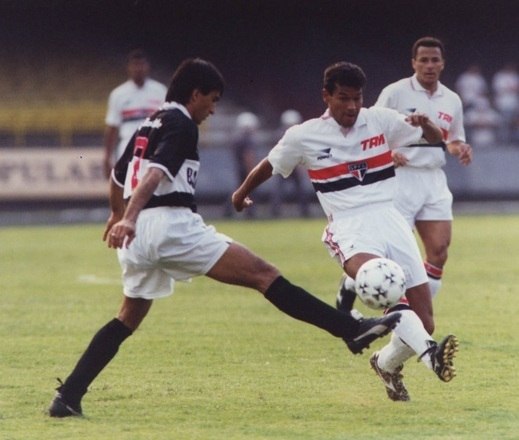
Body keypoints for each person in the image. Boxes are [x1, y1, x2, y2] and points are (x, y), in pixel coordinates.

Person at [48, 58, 401, 418]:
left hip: (137, 239)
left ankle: (68, 397)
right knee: (265, 275)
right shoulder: (181, 123)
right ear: (195, 93)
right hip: (169, 226)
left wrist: (117, 214)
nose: (213, 109)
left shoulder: (147, 125)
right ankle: (350, 328)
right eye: (212, 100)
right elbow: (154, 173)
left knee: (128, 316)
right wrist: (129, 217)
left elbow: (119, 177)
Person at [232, 61, 459, 403]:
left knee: (425, 321)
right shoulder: (303, 135)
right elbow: (270, 163)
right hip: (349, 225)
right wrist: (241, 191)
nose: (352, 106)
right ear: (326, 96)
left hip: (391, 219)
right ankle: (431, 356)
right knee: (381, 281)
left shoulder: (379, 120)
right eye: (343, 98)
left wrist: (426, 125)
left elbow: (435, 140)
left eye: (357, 98)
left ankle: (385, 363)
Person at [336, 36, 468, 401]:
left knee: (438, 251)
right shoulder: (393, 93)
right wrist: (388, 152)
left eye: (434, 60)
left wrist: (460, 148)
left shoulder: (452, 100)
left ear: (442, 63)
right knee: (391, 260)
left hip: (433, 180)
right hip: (399, 183)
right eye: (423, 59)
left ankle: (398, 325)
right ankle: (363, 286)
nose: (429, 65)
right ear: (413, 62)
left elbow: (450, 141)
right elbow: (371, 130)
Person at [103, 49, 167, 178]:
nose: (139, 69)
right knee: (127, 189)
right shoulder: (118, 94)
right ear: (129, 68)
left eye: (142, 64)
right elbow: (112, 127)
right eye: (135, 65)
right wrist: (107, 157)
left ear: (148, 66)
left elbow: (167, 123)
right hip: (128, 147)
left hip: (153, 147)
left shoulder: (160, 91)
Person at [270, 109, 310, 217]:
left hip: (283, 166)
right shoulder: (294, 136)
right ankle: (304, 211)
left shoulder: (279, 134)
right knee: (297, 190)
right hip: (290, 166)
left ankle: (275, 211)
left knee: (282, 190)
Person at [224, 111, 261, 218]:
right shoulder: (247, 139)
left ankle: (228, 210)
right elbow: (248, 156)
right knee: (248, 190)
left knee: (239, 189)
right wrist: (252, 170)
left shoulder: (237, 139)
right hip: (246, 169)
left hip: (239, 168)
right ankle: (250, 213)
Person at [491, 63, 519, 145]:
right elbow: (498, 89)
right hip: (502, 102)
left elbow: (516, 88)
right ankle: (502, 141)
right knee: (503, 123)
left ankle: (513, 140)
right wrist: (510, 88)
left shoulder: (515, 76)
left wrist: (511, 89)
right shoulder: (499, 76)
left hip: (514, 102)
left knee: (514, 122)